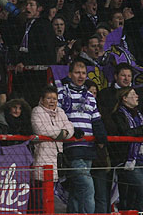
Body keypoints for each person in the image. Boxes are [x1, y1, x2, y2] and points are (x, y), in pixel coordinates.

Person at [57, 59, 107, 213]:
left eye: (83, 73)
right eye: (77, 72)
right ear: (70, 74)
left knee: (77, 189)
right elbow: (57, 117)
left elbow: (96, 119)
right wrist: (72, 130)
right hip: (71, 148)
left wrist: (101, 138)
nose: (80, 76)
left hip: (88, 149)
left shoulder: (90, 96)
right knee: (87, 187)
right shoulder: (62, 93)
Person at [30, 85, 73, 211]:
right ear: (42, 99)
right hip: (42, 160)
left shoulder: (60, 112)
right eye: (49, 98)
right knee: (40, 200)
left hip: (57, 161)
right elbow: (41, 129)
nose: (52, 101)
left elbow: (70, 128)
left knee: (51, 200)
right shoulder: (37, 111)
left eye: (54, 98)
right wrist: (61, 133)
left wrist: (64, 132)